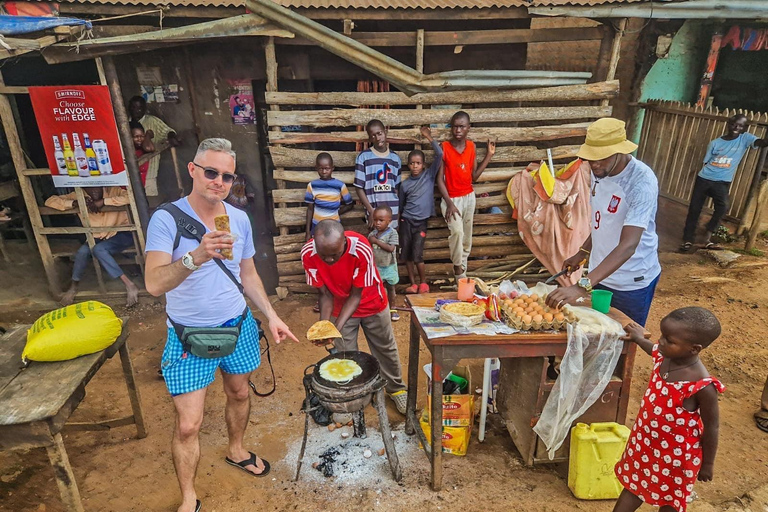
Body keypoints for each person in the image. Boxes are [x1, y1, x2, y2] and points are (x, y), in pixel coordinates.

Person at [144, 138, 298, 512]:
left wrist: (271, 314)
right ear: (193, 170)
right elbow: (153, 284)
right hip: (188, 334)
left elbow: (247, 274)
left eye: (227, 176)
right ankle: (188, 498)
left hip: (238, 323)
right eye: (211, 172)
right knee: (188, 425)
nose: (219, 181)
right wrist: (195, 257)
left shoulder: (238, 218)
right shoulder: (167, 219)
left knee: (240, 393)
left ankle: (236, 449)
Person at [545, 118, 661, 326]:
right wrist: (583, 252)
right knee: (597, 334)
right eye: (590, 158)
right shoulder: (599, 172)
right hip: (600, 276)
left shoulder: (641, 183)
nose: (595, 163)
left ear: (620, 152)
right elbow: (603, 220)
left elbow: (628, 245)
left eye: (601, 158)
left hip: (630, 282)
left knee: (624, 337)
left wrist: (581, 286)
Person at [615, 307, 724, 512]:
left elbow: (712, 427)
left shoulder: (702, 386)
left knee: (670, 500)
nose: (661, 342)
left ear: (694, 349)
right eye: (662, 336)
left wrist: (707, 464)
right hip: (645, 444)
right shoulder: (665, 356)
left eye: (669, 340)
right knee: (633, 487)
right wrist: (638, 338)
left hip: (676, 458)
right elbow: (652, 348)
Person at [302, 220, 408, 414]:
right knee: (345, 355)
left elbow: (356, 295)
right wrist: (325, 326)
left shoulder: (360, 248)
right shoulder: (308, 253)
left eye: (335, 255)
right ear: (314, 243)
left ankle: (396, 389)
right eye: (324, 255)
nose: (329, 260)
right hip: (338, 306)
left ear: (344, 241)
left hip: (371, 303)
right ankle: (351, 399)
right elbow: (324, 295)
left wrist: (335, 328)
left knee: (384, 349)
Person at [681, 114, 768, 252]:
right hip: (704, 179)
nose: (736, 127)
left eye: (740, 126)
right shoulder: (715, 143)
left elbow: (762, 143)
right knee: (694, 209)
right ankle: (687, 239)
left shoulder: (745, 139)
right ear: (729, 124)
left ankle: (707, 238)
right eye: (734, 124)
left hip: (722, 182)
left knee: (722, 207)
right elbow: (706, 162)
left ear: (744, 128)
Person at [45, 187, 140, 307]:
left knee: (99, 250)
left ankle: (129, 285)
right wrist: (74, 203)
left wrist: (104, 202)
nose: (94, 191)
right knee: (82, 252)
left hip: (120, 232)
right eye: (89, 188)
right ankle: (73, 287)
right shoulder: (78, 195)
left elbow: (131, 197)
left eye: (96, 187)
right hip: (96, 236)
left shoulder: (114, 191)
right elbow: (50, 201)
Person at [436, 111, 496, 280]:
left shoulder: (471, 146)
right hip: (451, 199)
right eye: (455, 126)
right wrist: (449, 203)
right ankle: (458, 270)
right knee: (457, 232)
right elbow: (439, 179)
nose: (458, 130)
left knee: (466, 239)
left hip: (469, 197)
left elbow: (474, 176)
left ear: (468, 128)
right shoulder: (444, 147)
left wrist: (489, 156)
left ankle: (461, 278)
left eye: (462, 126)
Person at [399, 126, 442, 294]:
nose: (415, 166)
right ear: (408, 165)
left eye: (418, 163)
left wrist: (429, 137)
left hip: (421, 223)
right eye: (412, 163)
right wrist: (399, 221)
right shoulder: (405, 184)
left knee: (418, 254)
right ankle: (413, 283)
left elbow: (440, 155)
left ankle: (423, 283)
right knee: (406, 255)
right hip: (406, 221)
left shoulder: (429, 176)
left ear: (423, 165)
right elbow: (401, 205)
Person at [128, 95, 181, 199]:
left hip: (150, 171)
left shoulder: (152, 121)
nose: (136, 111)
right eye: (133, 107)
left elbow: (167, 131)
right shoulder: (124, 122)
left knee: (150, 199)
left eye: (139, 108)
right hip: (131, 171)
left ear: (144, 108)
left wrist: (171, 136)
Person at [355, 119, 401, 229]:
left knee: (391, 242)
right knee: (375, 242)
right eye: (373, 135)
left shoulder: (395, 159)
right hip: (375, 212)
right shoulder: (364, 157)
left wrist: (398, 212)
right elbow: (359, 188)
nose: (377, 138)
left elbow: (396, 189)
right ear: (370, 138)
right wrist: (371, 211)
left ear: (385, 132)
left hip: (392, 212)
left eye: (379, 133)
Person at [305, 152, 354, 242]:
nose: (324, 171)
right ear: (316, 168)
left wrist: (336, 213)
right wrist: (308, 232)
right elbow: (310, 209)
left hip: (334, 226)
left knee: (333, 247)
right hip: (317, 225)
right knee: (318, 249)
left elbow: (350, 204)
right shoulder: (312, 186)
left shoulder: (340, 185)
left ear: (332, 168)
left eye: (327, 168)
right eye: (321, 169)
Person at [368, 206, 400, 321]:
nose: (377, 223)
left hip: (390, 266)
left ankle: (393, 308)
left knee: (391, 288)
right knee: (377, 289)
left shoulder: (393, 233)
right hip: (377, 267)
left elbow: (391, 248)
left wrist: (376, 241)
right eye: (375, 220)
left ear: (389, 221)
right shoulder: (372, 234)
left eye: (381, 220)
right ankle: (379, 309)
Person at [131, 120, 155, 188]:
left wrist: (147, 135)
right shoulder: (126, 150)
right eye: (136, 136)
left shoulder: (143, 148)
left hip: (140, 188)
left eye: (142, 136)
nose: (139, 139)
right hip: (127, 190)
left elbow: (149, 148)